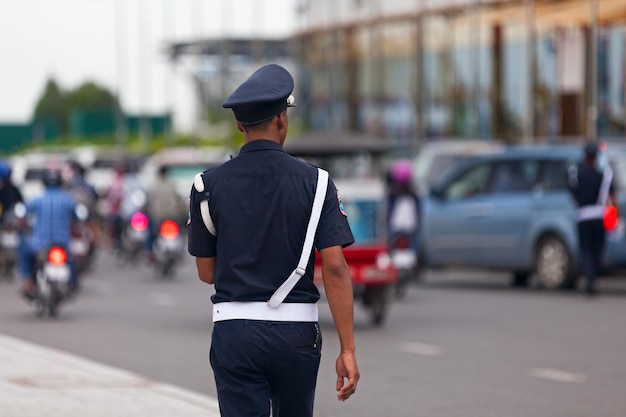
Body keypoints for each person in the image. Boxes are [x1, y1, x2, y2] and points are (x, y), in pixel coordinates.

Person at [187, 64, 359, 417]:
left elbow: (207, 272)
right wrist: (348, 349)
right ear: (282, 119)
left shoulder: (207, 186)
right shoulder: (318, 183)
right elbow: (336, 269)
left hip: (234, 331)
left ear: (239, 125)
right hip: (297, 333)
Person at [17, 169, 78, 298]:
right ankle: (71, 284)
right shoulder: (68, 200)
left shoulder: (37, 199)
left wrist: (23, 225)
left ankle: (28, 281)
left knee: (23, 249)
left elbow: (22, 214)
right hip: (62, 243)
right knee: (72, 260)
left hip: (39, 244)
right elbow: (77, 219)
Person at [568, 142, 617, 296]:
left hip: (583, 216)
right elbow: (611, 197)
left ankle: (589, 279)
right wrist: (618, 216)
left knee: (585, 250)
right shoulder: (602, 176)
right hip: (598, 216)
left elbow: (574, 195)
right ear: (595, 157)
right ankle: (593, 278)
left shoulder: (578, 175)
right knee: (597, 250)